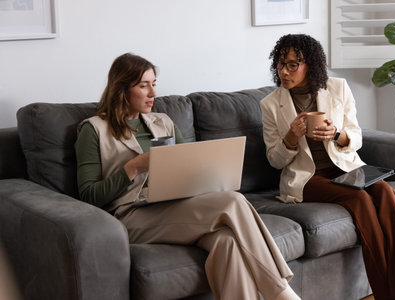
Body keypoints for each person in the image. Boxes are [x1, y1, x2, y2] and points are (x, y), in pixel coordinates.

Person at [75, 52, 302, 300]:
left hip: (172, 203)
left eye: (154, 84)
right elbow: (89, 196)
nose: (152, 93)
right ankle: (281, 293)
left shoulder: (163, 122)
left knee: (226, 241)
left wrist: (205, 171)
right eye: (143, 86)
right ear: (121, 89)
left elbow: (189, 165)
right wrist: (135, 166)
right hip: (130, 215)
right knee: (233, 201)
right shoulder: (94, 129)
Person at [260, 34, 395, 300]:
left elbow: (356, 137)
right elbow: (275, 160)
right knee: (359, 199)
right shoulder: (270, 105)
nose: (284, 71)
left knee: (384, 192)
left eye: (293, 64)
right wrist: (292, 136)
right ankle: (388, 294)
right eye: (280, 64)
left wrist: (336, 135)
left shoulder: (337, 88)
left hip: (345, 168)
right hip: (309, 179)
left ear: (310, 65)